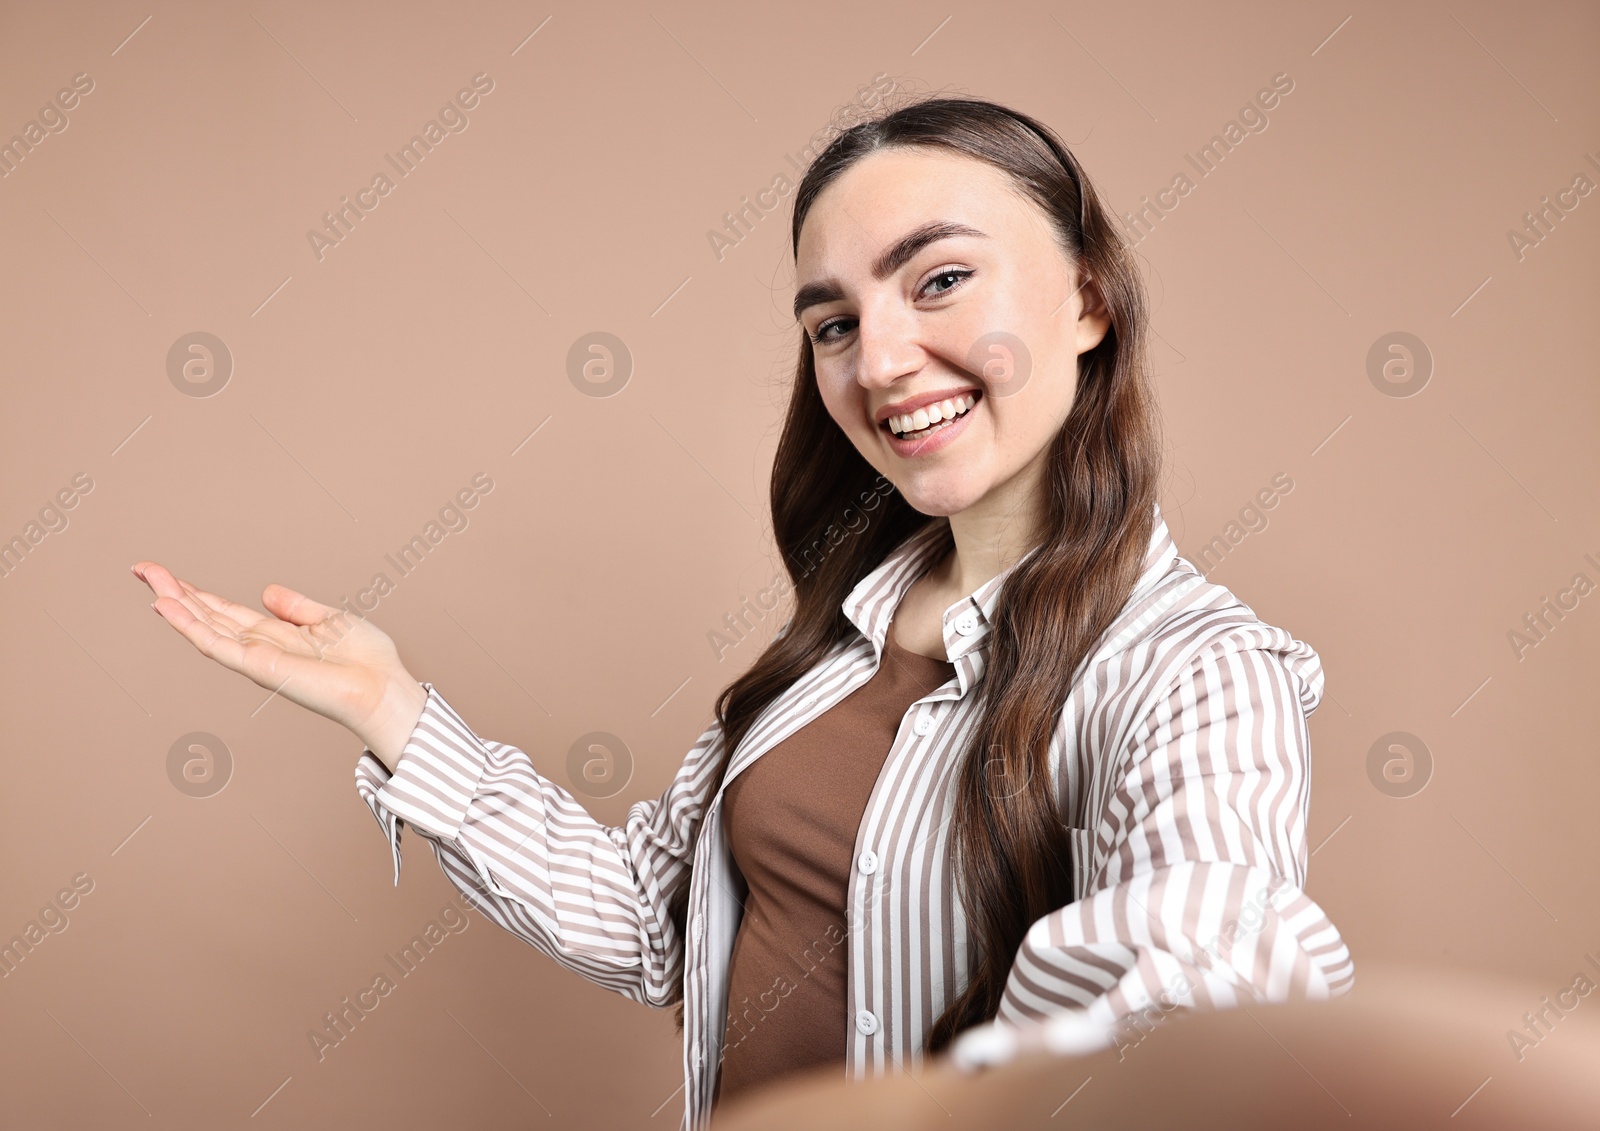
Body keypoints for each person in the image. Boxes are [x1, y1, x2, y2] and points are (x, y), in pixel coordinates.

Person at [133, 94, 1352, 1131]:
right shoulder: (833, 644)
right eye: (833, 324)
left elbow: (1210, 961)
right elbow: (646, 925)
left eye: (938, 281)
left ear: (1087, 300)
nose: (877, 362)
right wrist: (390, 707)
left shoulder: (1195, 672)